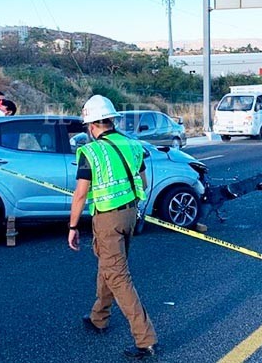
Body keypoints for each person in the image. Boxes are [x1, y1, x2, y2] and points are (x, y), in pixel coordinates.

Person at [67, 95, 158, 360]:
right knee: (108, 265)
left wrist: (73, 226)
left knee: (118, 276)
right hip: (129, 214)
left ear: (92, 125)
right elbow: (142, 179)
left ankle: (146, 339)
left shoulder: (90, 151)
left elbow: (81, 194)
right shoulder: (132, 144)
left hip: (107, 218)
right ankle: (99, 317)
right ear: (111, 120)